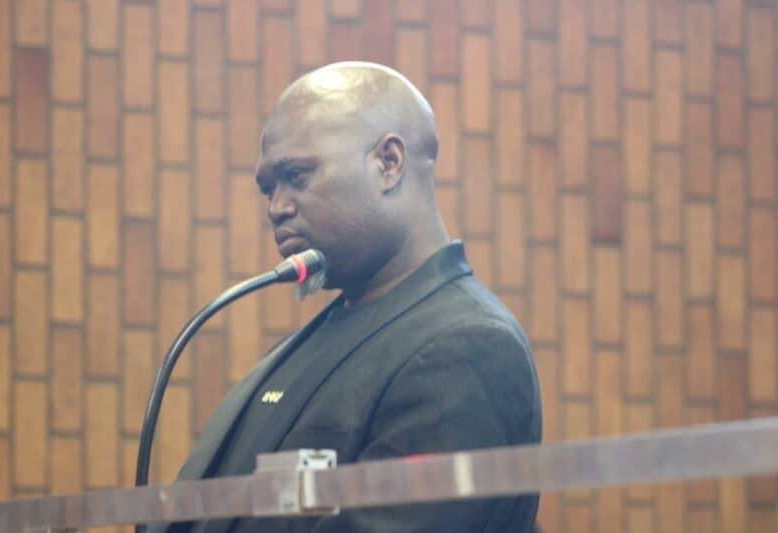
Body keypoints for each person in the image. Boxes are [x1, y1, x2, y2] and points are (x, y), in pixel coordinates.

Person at [152, 61, 542, 533]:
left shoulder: (468, 346)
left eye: (296, 176)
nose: (277, 208)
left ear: (388, 163)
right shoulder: (322, 336)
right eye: (269, 189)